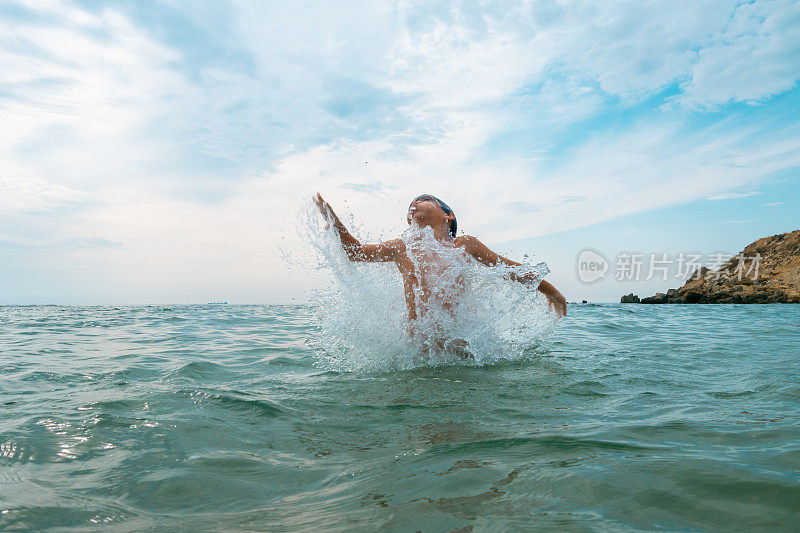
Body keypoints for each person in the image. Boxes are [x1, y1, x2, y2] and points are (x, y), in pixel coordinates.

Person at [313, 193, 567, 328]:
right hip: (417, 344)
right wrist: (334, 221)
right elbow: (355, 252)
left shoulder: (465, 245)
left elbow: (509, 269)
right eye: (411, 204)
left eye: (423, 200)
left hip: (458, 341)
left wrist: (553, 293)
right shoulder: (402, 247)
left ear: (448, 216)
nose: (414, 203)